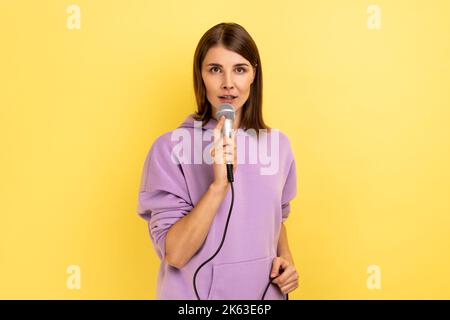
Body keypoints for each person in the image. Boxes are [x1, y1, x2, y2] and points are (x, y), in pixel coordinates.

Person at [137, 22, 299, 300]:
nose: (228, 83)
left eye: (240, 69)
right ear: (200, 76)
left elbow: (276, 217)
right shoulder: (170, 149)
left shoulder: (278, 145)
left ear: (253, 75)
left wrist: (286, 258)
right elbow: (175, 254)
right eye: (215, 69)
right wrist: (218, 186)